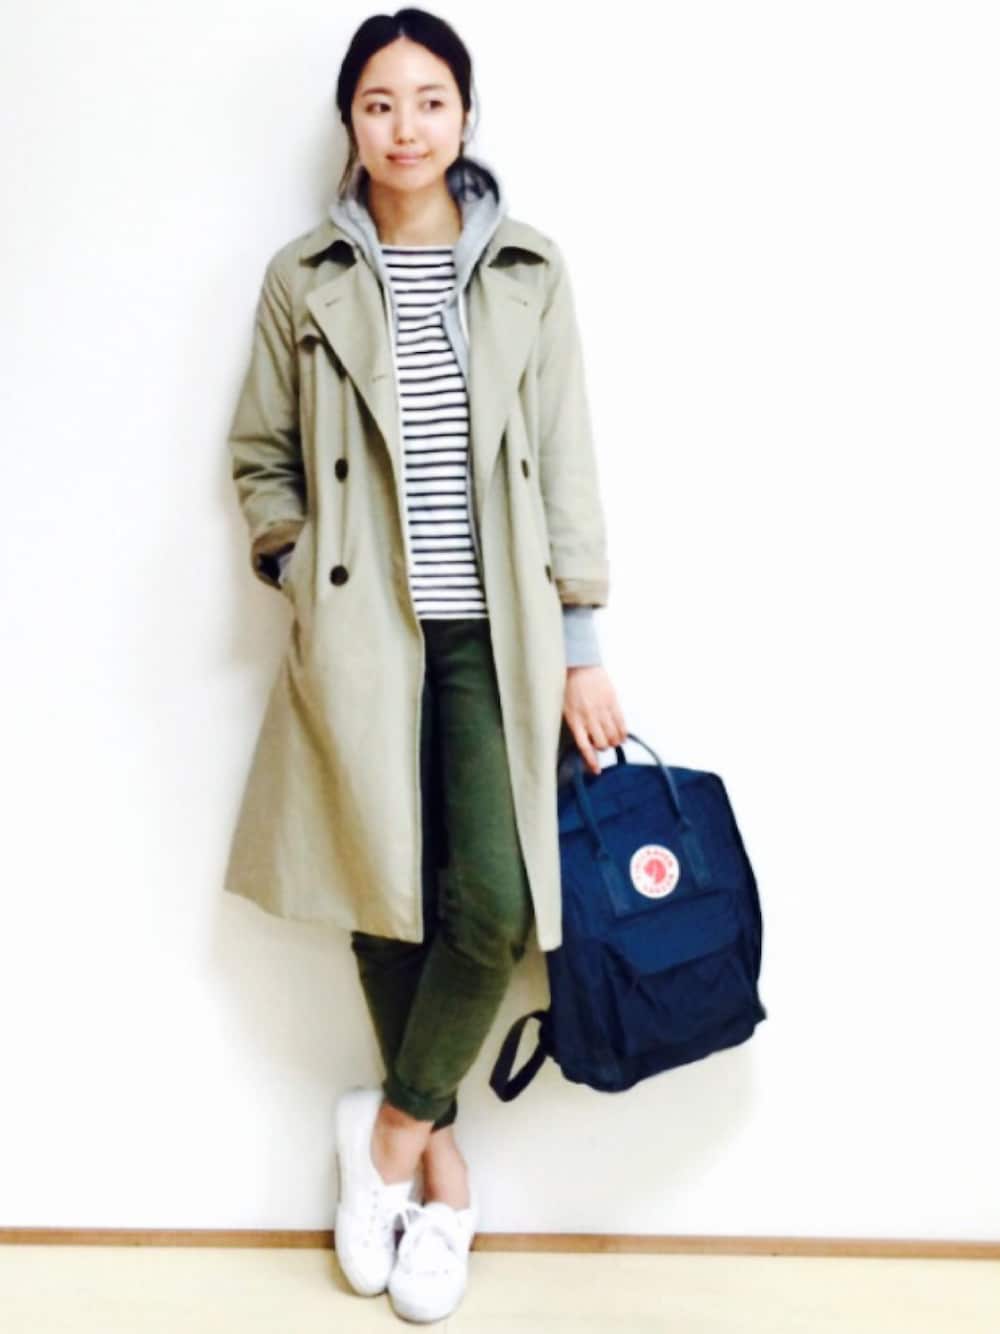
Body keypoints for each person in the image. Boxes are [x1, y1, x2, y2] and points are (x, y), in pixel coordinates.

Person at [225, 6, 626, 1320]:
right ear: (352, 121)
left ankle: (387, 1137)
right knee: (382, 890)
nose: (406, 126)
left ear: (465, 114)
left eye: (430, 99)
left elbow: (565, 461)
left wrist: (580, 646)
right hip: (359, 632)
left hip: (495, 637)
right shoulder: (303, 277)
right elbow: (260, 455)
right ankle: (444, 1185)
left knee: (494, 909)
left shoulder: (528, 270)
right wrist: (298, 565)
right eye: (380, 103)